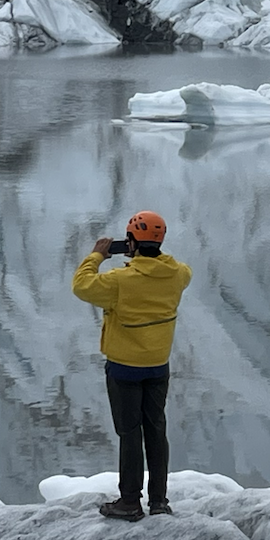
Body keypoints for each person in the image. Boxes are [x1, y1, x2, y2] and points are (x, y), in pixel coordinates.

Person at [72, 210, 192, 521]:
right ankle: (159, 501)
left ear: (131, 242)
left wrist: (97, 255)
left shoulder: (120, 281)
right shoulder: (177, 275)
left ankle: (129, 501)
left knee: (129, 433)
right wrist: (151, 257)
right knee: (156, 430)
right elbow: (182, 270)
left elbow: (82, 286)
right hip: (158, 366)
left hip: (125, 368)